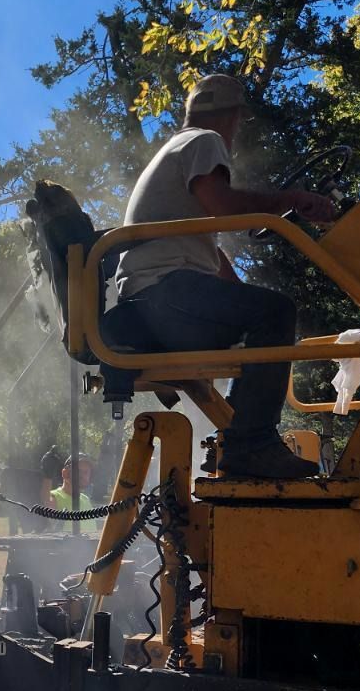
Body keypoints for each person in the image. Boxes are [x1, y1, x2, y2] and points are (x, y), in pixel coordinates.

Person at [114, 74, 338, 480]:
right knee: (276, 312)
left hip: (154, 300)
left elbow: (208, 250)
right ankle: (251, 446)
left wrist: (240, 294)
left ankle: (241, 443)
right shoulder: (203, 141)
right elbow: (221, 204)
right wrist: (293, 200)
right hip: (164, 294)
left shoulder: (177, 148)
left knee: (266, 312)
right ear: (233, 117)